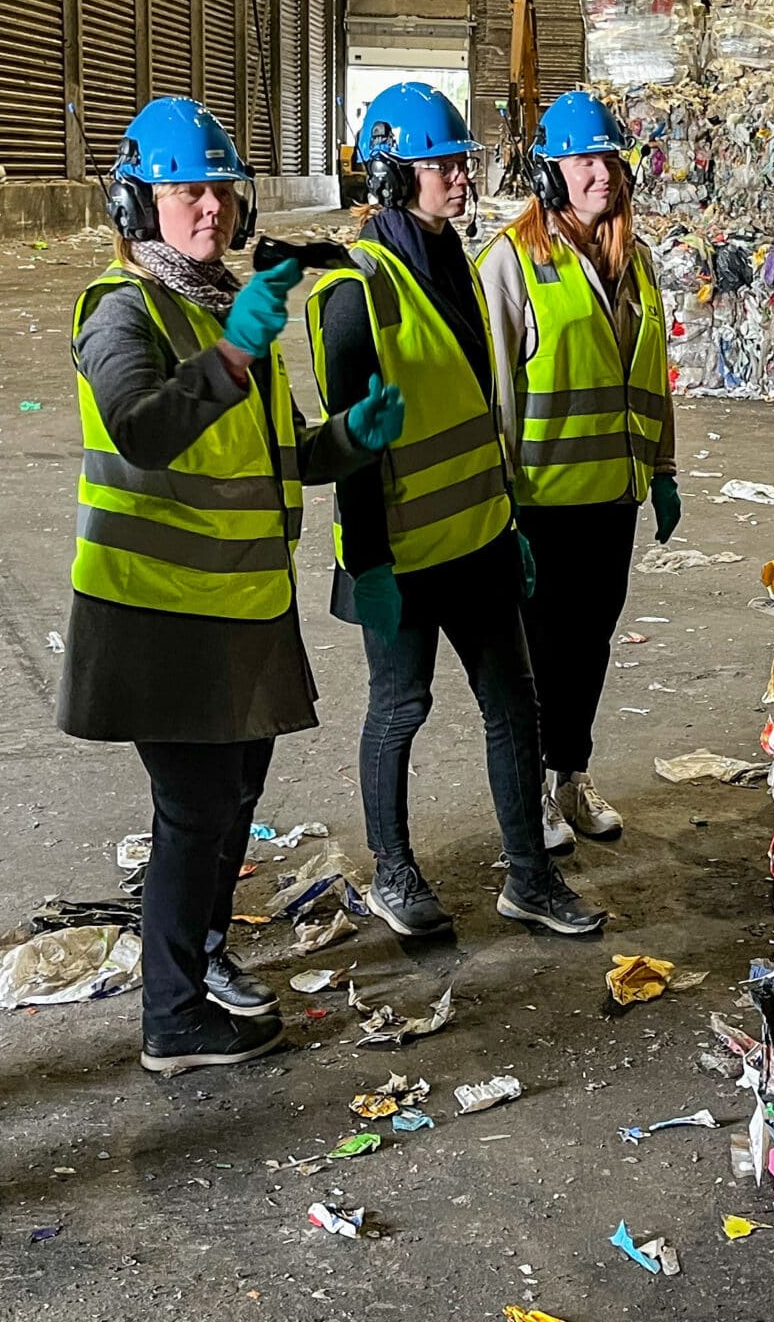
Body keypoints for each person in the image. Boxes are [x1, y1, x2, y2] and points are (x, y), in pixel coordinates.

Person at [57, 97, 405, 1075]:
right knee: (194, 811)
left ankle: (201, 961)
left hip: (238, 613)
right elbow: (141, 425)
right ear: (137, 202)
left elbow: (275, 455)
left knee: (226, 802)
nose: (206, 207)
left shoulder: (217, 308)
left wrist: (346, 443)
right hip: (156, 617)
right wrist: (236, 353)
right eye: (182, 191)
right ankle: (173, 1020)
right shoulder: (122, 309)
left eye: (220, 190)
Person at [305, 81, 606, 939]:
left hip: (476, 540)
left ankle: (528, 877)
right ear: (393, 178)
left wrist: (508, 522)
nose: (459, 180)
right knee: (399, 709)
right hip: (397, 555)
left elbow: (480, 412)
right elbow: (355, 444)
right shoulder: (352, 289)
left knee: (515, 706)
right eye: (441, 166)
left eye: (459, 164)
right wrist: (368, 568)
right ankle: (394, 874)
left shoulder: (460, 269)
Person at [477, 90, 676, 848]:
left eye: (609, 159)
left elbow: (652, 373)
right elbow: (494, 391)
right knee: (536, 657)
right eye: (583, 160)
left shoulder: (637, 261)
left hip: (613, 500)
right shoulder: (510, 262)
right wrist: (500, 506)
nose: (600, 174)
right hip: (541, 504)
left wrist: (663, 469)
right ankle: (528, 790)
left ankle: (571, 775)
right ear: (549, 173)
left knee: (588, 649)